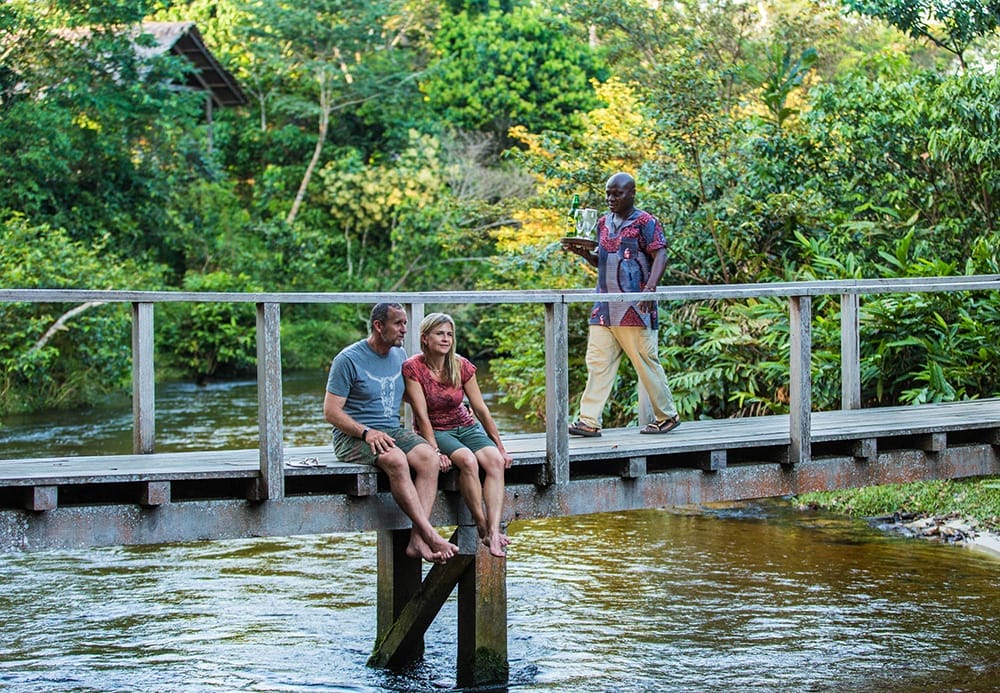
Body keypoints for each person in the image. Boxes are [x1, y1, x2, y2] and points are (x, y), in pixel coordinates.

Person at [323, 302, 459, 564]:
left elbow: (412, 397)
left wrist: (451, 403)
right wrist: (366, 433)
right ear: (378, 326)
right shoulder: (347, 360)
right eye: (398, 323)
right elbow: (331, 412)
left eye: (405, 323)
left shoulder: (399, 355)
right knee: (396, 459)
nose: (404, 329)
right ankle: (431, 535)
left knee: (429, 458)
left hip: (393, 431)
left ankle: (417, 540)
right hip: (353, 436)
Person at [560, 171, 681, 437]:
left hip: (635, 307)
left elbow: (660, 254)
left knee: (645, 361)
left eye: (617, 194)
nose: (611, 198)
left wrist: (649, 291)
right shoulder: (603, 222)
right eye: (608, 193)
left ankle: (667, 415)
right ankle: (589, 421)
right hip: (604, 306)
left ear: (632, 194)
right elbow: (602, 260)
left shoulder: (646, 222)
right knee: (597, 362)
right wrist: (583, 253)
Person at [402, 313, 513, 557]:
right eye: (440, 334)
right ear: (425, 338)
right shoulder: (413, 368)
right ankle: (481, 526)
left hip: (466, 426)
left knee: (495, 461)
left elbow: (480, 408)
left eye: (449, 334)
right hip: (437, 429)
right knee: (468, 461)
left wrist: (500, 446)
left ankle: (493, 531)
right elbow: (421, 415)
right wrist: (434, 450)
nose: (446, 339)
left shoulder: (461, 365)